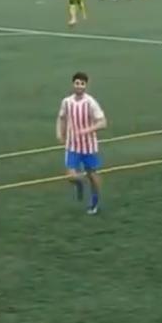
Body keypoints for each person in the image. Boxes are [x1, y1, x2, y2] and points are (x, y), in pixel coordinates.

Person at [57, 71, 108, 215]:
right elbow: (61, 117)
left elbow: (103, 123)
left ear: (86, 85)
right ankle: (80, 182)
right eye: (77, 83)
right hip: (72, 145)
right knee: (71, 176)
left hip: (88, 146)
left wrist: (87, 130)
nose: (79, 86)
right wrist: (60, 133)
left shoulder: (90, 102)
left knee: (93, 174)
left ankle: (95, 201)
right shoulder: (67, 101)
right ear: (73, 84)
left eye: (82, 84)